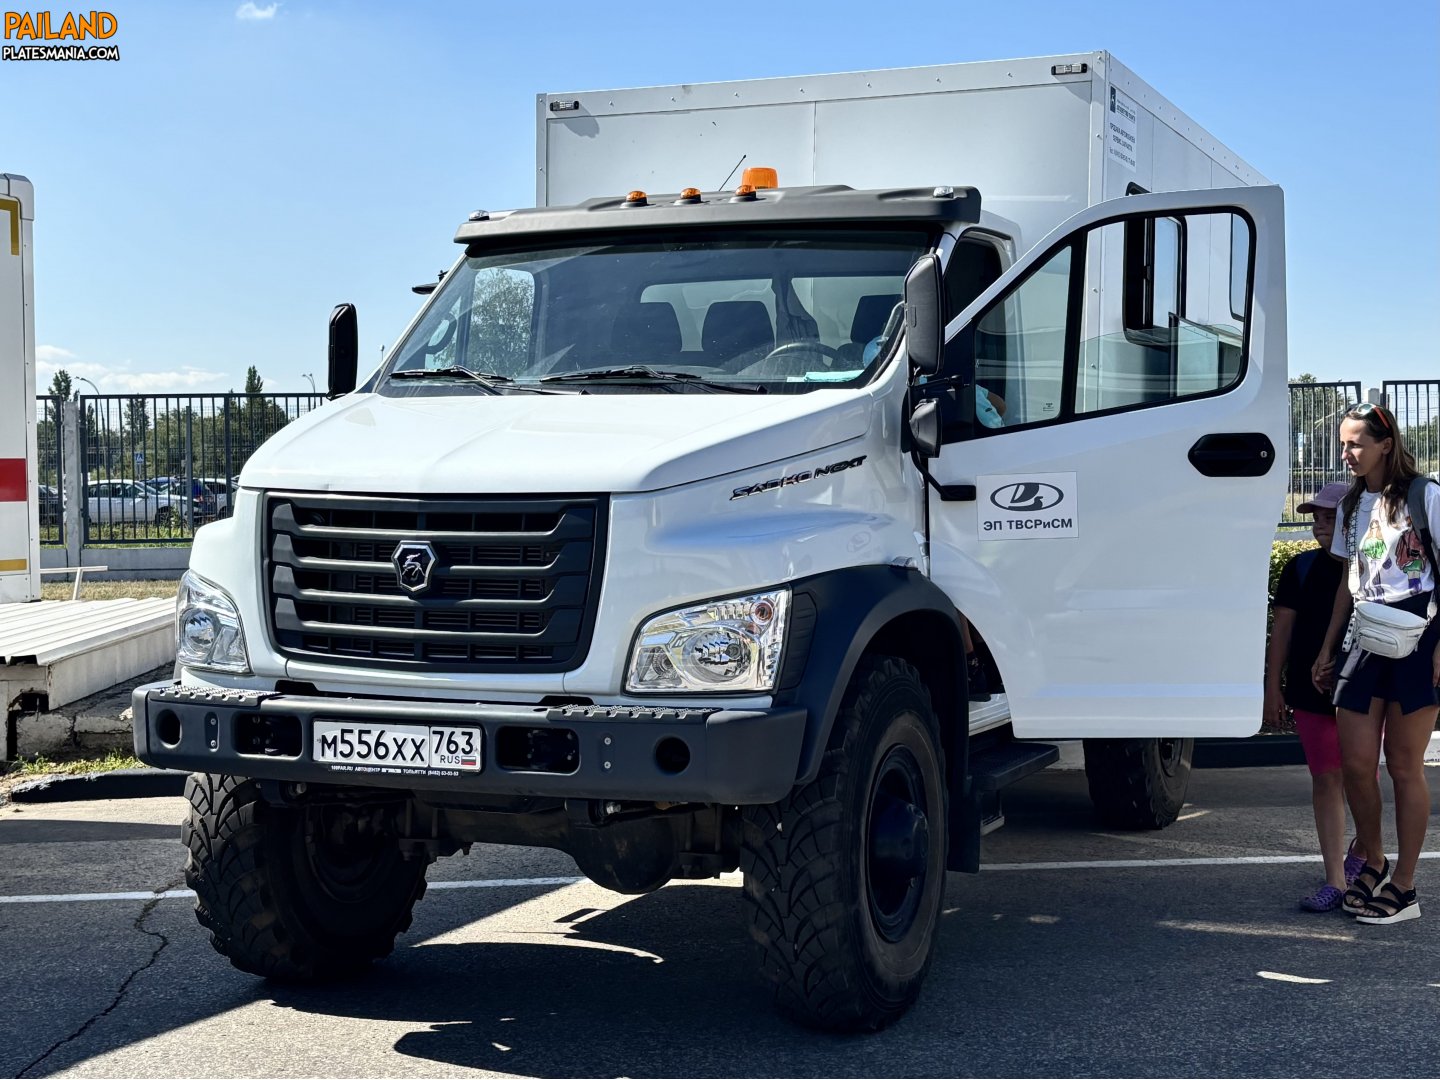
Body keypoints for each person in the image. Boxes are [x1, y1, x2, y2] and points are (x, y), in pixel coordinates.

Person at [1311, 402, 1440, 924]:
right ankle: (1374, 857)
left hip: (1418, 636)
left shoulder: (1424, 495)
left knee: (1404, 767)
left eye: (1356, 443)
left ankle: (1404, 885)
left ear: (1386, 444)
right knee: (1358, 767)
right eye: (1344, 444)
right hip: (1364, 636)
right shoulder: (1350, 503)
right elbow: (1350, 581)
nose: (1347, 454)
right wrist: (1327, 648)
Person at [1265, 482, 1367, 910]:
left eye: (1331, 516)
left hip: (1364, 687)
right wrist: (1273, 686)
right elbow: (1283, 632)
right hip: (1310, 691)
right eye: (1316, 518)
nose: (1320, 524)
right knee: (1326, 778)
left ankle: (1363, 853)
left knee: (1361, 778)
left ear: (1351, 519)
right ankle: (1335, 880)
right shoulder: (1300, 568)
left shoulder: (1370, 565)